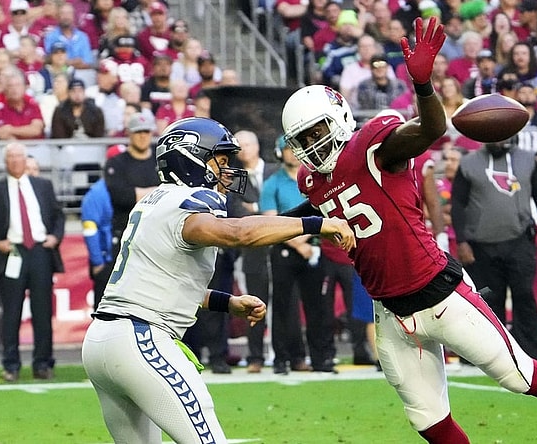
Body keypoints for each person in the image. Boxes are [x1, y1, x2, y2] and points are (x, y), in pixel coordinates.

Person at [281, 17, 537, 444]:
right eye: (304, 138)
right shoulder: (312, 182)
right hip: (391, 314)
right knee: (429, 420)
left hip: (440, 293)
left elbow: (431, 129)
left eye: (318, 130)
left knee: (517, 374)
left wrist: (424, 86)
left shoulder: (376, 145)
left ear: (338, 117)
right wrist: (239, 225)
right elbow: (302, 214)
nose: (314, 144)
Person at [81, 117, 355, 443]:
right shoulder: (187, 203)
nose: (227, 170)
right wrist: (317, 224)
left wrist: (229, 302)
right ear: (190, 159)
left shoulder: (153, 203)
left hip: (100, 342)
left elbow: (169, 282)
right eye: (221, 160)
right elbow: (240, 233)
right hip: (140, 341)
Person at [451, 135, 537, 361]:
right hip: (481, 244)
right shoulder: (469, 162)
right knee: (488, 300)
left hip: (520, 240)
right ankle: (487, 355)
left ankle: (530, 354)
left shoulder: (527, 159)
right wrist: (461, 240)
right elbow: (458, 203)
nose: (499, 139)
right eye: (493, 133)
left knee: (524, 296)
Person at [0, 142, 65, 382]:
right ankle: (11, 365)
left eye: (20, 157)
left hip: (39, 251)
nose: (16, 161)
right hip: (12, 253)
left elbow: (58, 215)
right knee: (11, 313)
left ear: (26, 160)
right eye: (12, 157)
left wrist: (55, 237)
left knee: (42, 311)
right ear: (5, 161)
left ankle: (43, 363)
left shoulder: (43, 186)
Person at [260, 139, 336, 374]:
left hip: (312, 247)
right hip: (285, 249)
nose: (292, 155)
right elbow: (270, 220)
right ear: (280, 153)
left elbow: (325, 208)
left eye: (295, 149)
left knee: (318, 307)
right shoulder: (272, 184)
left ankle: (321, 358)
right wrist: (299, 241)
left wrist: (305, 239)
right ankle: (282, 359)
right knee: (283, 306)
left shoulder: (314, 180)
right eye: (287, 150)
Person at [231, 130, 278, 373]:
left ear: (257, 145)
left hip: (281, 247)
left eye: (248, 143)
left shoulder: (275, 170)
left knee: (283, 303)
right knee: (254, 305)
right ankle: (256, 357)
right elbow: (238, 211)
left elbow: (282, 206)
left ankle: (284, 356)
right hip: (252, 252)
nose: (245, 148)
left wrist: (258, 207)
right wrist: (266, 212)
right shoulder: (235, 178)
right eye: (240, 146)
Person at [104, 112, 160, 263]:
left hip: (158, 234)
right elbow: (121, 196)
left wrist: (140, 194)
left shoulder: (160, 159)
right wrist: (159, 192)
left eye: (146, 131)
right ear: (129, 133)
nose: (143, 136)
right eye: (138, 132)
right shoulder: (116, 163)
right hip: (126, 233)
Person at [81, 145, 124, 312]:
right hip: (108, 261)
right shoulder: (97, 193)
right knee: (104, 311)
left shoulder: (129, 189)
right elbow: (90, 230)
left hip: (127, 260)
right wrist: (97, 261)